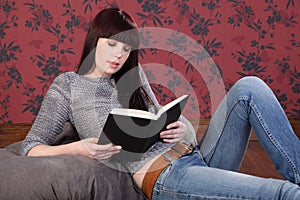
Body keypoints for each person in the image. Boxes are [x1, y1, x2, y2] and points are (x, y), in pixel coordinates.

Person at [21, 7, 300, 199]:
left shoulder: (132, 74)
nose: (119, 55)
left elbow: (160, 119)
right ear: (95, 40)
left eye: (126, 48)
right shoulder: (68, 84)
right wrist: (79, 148)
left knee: (249, 86)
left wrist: (182, 129)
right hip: (164, 176)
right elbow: (30, 147)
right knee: (284, 193)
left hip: (192, 156)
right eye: (112, 44)